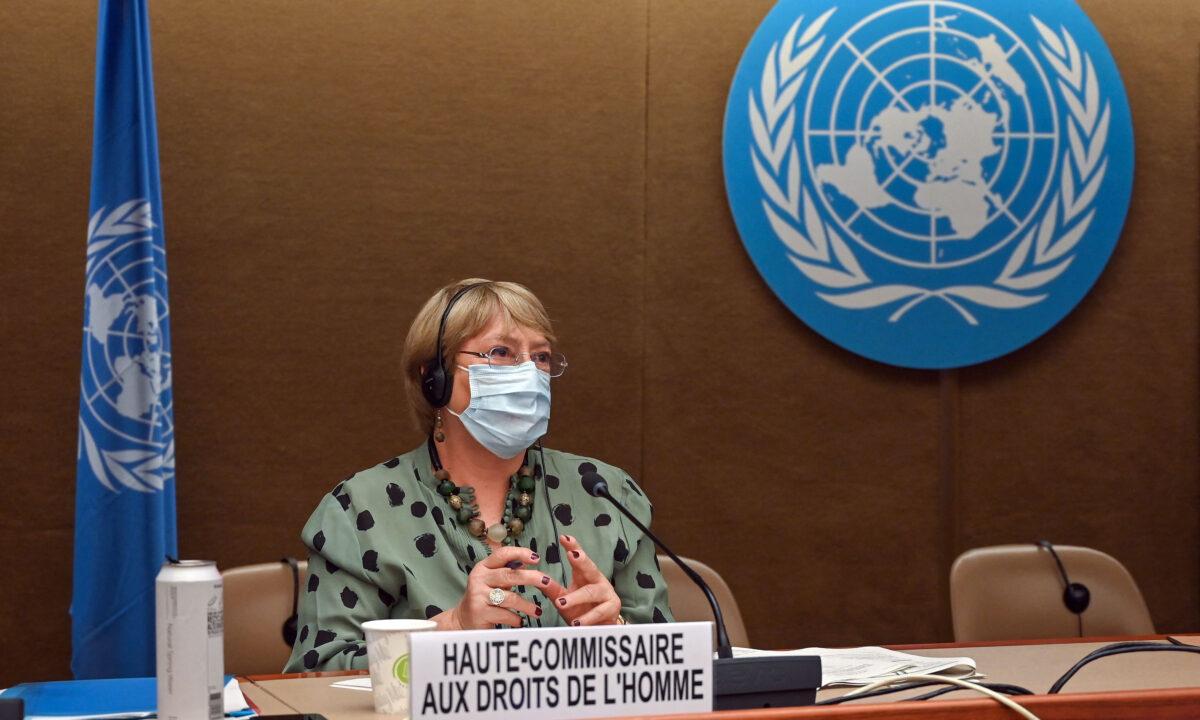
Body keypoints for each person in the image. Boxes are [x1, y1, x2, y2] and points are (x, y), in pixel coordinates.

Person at [284, 279, 673, 671]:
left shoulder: (605, 493)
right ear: (434, 378)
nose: (528, 372)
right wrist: (450, 629)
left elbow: (670, 664)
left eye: (540, 357)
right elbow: (315, 672)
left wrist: (614, 634)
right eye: (501, 352)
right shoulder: (360, 510)